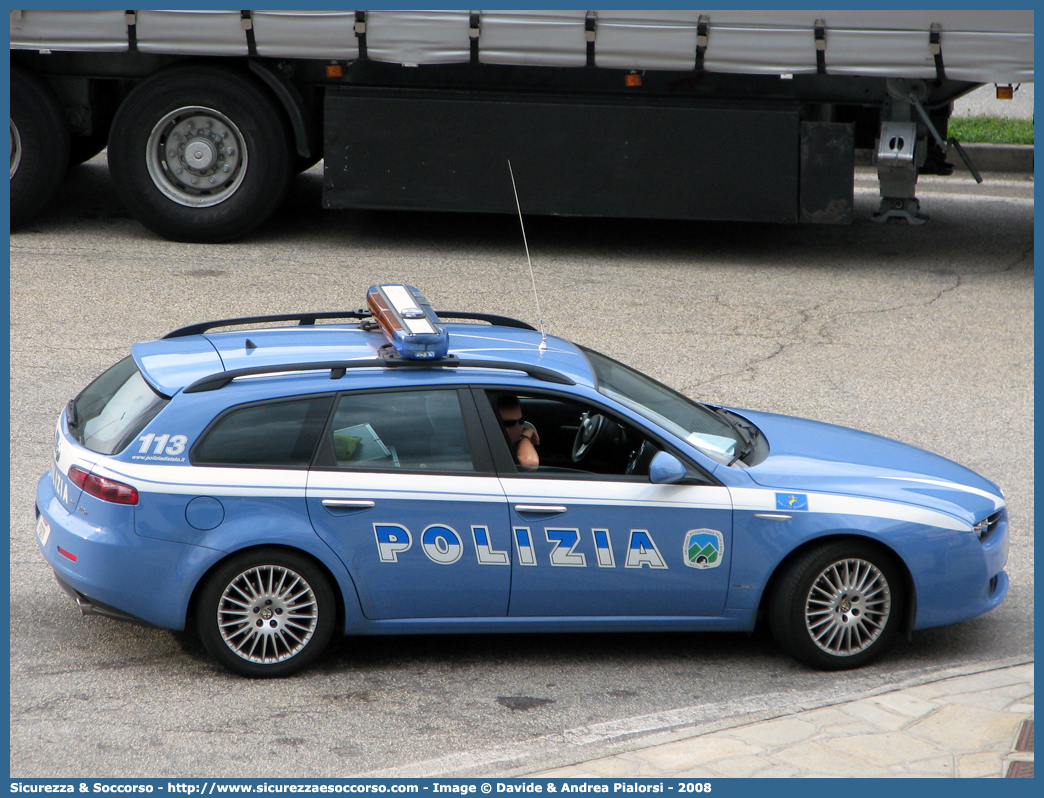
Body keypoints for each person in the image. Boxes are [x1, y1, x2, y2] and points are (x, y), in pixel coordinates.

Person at [496, 395, 539, 469]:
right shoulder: (494, 447)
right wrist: (524, 437)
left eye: (521, 421)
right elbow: (530, 463)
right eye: (510, 423)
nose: (518, 427)